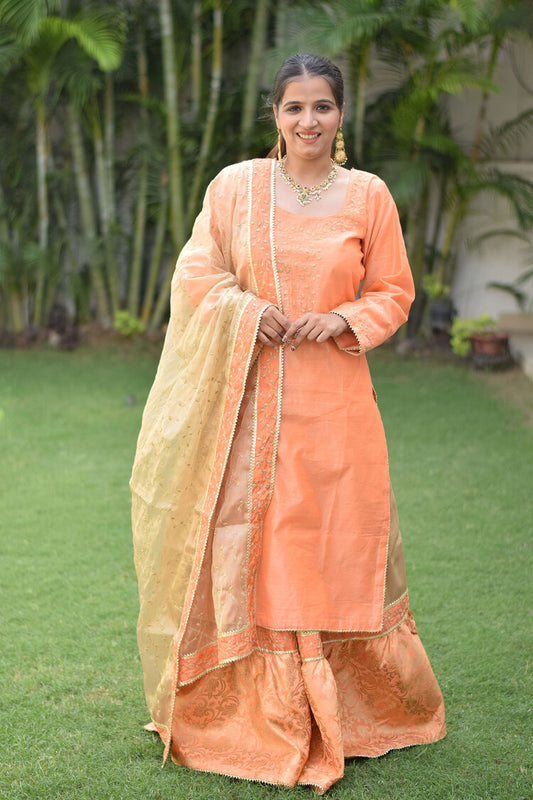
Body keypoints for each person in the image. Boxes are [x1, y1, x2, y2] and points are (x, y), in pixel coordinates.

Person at [131, 53, 446, 794]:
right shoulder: (236, 187)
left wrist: (341, 316)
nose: (308, 121)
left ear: (341, 116)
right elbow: (197, 274)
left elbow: (394, 290)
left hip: (335, 401)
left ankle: (350, 706)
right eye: (294, 107)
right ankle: (253, 711)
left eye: (322, 107)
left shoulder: (367, 196)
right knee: (262, 541)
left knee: (330, 541)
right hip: (248, 404)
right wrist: (249, 310)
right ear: (273, 116)